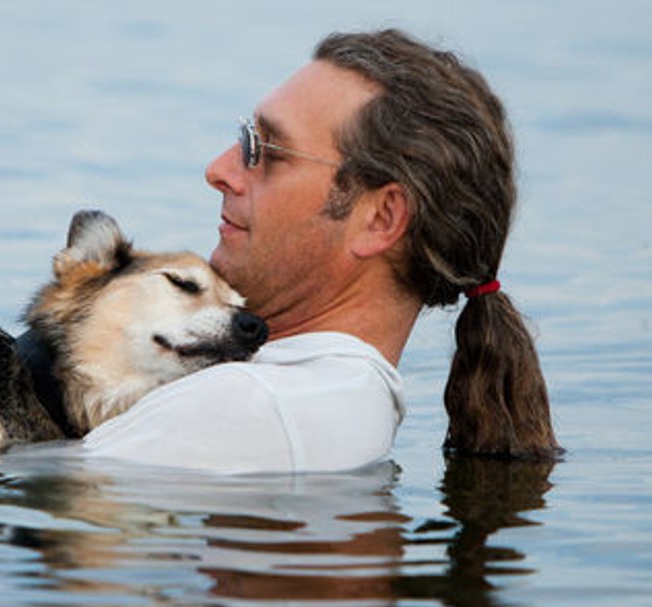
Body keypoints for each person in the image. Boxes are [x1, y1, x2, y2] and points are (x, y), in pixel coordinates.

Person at [83, 28, 561, 473]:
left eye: (268, 151)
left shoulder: (253, 406)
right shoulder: (332, 398)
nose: (219, 169)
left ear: (381, 219)